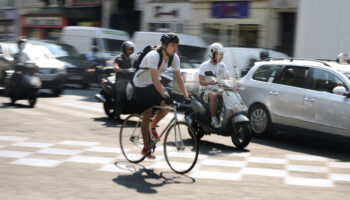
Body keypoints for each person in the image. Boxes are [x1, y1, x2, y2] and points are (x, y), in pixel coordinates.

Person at [133, 33, 189, 158]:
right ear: (164, 46)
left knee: (167, 106)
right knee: (147, 113)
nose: (175, 48)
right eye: (172, 45)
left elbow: (179, 78)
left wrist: (186, 95)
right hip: (141, 85)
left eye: (176, 46)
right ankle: (146, 148)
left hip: (154, 84)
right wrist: (164, 94)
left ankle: (152, 127)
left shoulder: (174, 58)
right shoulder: (154, 56)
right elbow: (154, 79)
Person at [199, 42, 230, 129]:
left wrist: (234, 82)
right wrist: (209, 83)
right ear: (212, 53)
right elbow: (201, 81)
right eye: (218, 54)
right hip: (205, 90)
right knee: (213, 95)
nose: (220, 56)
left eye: (221, 54)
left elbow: (227, 77)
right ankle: (213, 120)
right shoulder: (204, 66)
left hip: (219, 89)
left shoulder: (222, 65)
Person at [113, 41, 135, 117]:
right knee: (121, 92)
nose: (130, 51)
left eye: (131, 49)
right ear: (124, 50)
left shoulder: (132, 59)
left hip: (131, 79)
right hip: (121, 79)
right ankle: (117, 110)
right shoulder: (118, 58)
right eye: (128, 49)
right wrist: (120, 69)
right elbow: (115, 67)